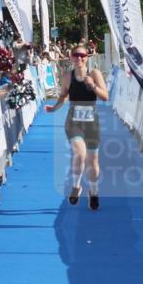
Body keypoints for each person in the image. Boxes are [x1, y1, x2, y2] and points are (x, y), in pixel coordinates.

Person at [44, 44, 109, 210]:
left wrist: (93, 86)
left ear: (87, 57)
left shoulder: (94, 73)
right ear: (71, 57)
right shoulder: (67, 76)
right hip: (74, 122)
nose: (79, 58)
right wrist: (54, 108)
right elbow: (63, 96)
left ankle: (93, 192)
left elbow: (105, 97)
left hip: (92, 123)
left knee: (93, 162)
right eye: (76, 55)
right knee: (80, 154)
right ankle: (76, 186)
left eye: (82, 55)